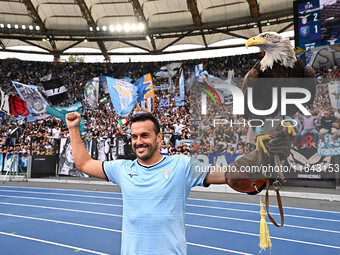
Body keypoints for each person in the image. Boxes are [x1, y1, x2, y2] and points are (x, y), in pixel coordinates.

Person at [65, 112, 288, 255]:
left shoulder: (181, 165)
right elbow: (84, 163)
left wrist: (259, 159)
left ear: (159, 138)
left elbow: (226, 173)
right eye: (134, 137)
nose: (138, 142)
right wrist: (74, 129)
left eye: (144, 135)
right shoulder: (122, 169)